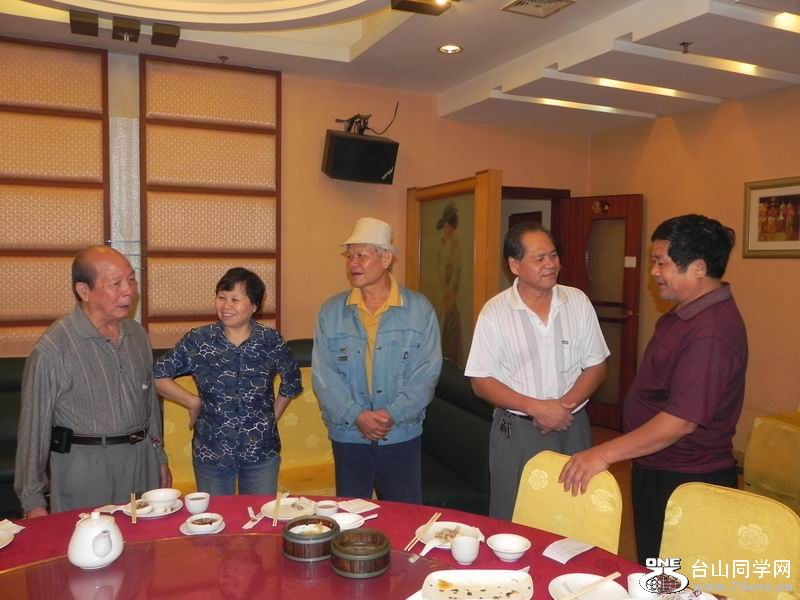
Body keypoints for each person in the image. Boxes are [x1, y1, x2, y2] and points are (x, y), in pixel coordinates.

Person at [559, 214, 747, 564]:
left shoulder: (711, 333)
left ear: (698, 268)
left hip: (686, 479)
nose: (653, 272)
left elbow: (680, 422)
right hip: (659, 466)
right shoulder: (688, 313)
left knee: (675, 577)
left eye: (662, 263)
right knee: (655, 566)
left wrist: (603, 454)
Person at [465, 221, 609, 520]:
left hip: (572, 424)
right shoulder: (495, 312)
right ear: (514, 265)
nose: (551, 264)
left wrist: (561, 408)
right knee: (515, 514)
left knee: (573, 514)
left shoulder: (577, 301)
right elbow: (481, 381)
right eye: (540, 258)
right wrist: (536, 408)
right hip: (519, 429)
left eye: (553, 255)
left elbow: (596, 364)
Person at [14, 245, 170, 517]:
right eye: (116, 283)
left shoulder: (137, 335)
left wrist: (159, 457)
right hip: (86, 469)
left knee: (146, 539)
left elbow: (149, 404)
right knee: (91, 542)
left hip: (141, 460)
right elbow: (33, 429)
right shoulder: (54, 348)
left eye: (131, 279)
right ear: (84, 291)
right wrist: (33, 502)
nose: (129, 290)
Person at [312, 217, 442, 503]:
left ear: (386, 259)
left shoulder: (419, 310)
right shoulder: (331, 312)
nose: (353, 263)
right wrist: (356, 415)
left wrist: (392, 414)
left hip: (401, 431)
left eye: (361, 255)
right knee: (350, 515)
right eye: (349, 256)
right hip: (349, 433)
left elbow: (427, 374)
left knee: (404, 514)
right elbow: (324, 376)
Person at [154, 268, 302, 496]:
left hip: (260, 451)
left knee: (259, 513)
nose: (226, 305)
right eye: (221, 297)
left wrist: (270, 419)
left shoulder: (271, 341)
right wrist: (192, 402)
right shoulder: (199, 340)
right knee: (214, 515)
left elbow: (291, 381)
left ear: (254, 305)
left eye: (235, 299)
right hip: (212, 451)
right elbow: (158, 375)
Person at [436, 202, 463, 366]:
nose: (446, 229)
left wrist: (450, 291)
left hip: (449, 290)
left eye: (447, 226)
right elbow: (439, 267)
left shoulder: (455, 245)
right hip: (443, 289)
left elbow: (455, 271)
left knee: (449, 325)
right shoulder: (444, 243)